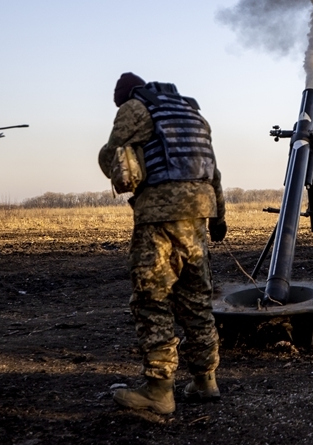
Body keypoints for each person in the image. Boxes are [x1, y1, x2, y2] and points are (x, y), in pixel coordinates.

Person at [99, 72, 227, 416]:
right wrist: (218, 217)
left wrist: (123, 157)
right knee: (196, 298)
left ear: (125, 96)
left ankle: (159, 390)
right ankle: (205, 381)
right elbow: (212, 169)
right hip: (198, 213)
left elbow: (111, 156)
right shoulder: (191, 112)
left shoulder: (134, 108)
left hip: (159, 216)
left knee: (152, 298)